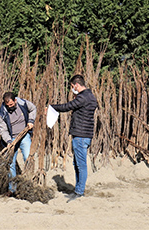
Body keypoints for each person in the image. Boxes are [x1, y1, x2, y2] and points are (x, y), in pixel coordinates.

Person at [50, 74, 98, 202]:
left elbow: (67, 106)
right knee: (76, 163)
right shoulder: (90, 96)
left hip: (81, 135)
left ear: (77, 85)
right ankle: (78, 190)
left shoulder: (83, 97)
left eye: (72, 87)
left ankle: (79, 192)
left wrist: (52, 107)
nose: (72, 89)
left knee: (81, 165)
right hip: (84, 135)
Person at [0, 92, 37, 194]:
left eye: (11, 105)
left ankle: (29, 185)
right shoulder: (2, 113)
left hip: (24, 135)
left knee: (28, 158)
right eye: (8, 105)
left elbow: (33, 109)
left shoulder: (23, 103)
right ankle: (12, 189)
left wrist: (31, 121)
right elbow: (3, 130)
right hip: (12, 139)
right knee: (10, 163)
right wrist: (9, 141)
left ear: (15, 101)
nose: (10, 107)